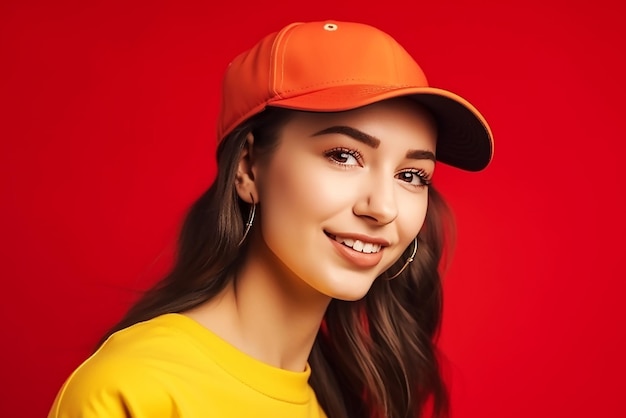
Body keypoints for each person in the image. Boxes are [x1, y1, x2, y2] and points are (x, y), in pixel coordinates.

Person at [48, 20, 493, 418]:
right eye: (343, 155)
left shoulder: (331, 400)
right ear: (247, 168)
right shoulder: (134, 392)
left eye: (412, 175)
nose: (384, 207)